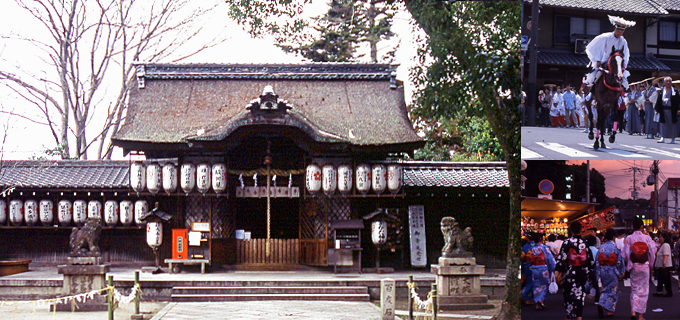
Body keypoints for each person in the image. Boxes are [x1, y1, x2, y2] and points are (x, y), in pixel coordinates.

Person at [555, 222, 595, 320]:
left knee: (568, 294)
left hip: (570, 271)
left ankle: (569, 315)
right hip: (581, 271)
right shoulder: (585, 242)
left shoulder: (567, 242)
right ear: (581, 230)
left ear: (571, 230)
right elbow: (589, 260)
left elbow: (562, 258)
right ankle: (579, 316)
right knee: (580, 294)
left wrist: (559, 272)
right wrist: (588, 271)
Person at [584, 16, 635, 89]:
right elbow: (594, 46)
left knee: (624, 80)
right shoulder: (606, 37)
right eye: (618, 31)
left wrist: (623, 65)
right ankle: (591, 92)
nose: (620, 33)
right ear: (615, 29)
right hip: (604, 61)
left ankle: (621, 96)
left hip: (617, 64)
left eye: (621, 32)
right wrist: (597, 59)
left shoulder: (623, 41)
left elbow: (626, 54)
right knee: (593, 76)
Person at [622, 217, 656, 320]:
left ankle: (633, 312)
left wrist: (630, 263)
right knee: (644, 291)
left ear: (632, 226)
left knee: (634, 289)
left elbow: (625, 254)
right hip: (644, 266)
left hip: (635, 266)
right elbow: (652, 251)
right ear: (642, 226)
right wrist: (650, 263)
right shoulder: (647, 238)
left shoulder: (629, 238)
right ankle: (640, 316)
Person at [596, 229, 625, 318]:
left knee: (604, 289)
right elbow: (619, 261)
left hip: (603, 271)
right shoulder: (615, 248)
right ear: (613, 237)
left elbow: (597, 261)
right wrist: (622, 271)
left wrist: (597, 273)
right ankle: (609, 310)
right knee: (613, 290)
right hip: (613, 270)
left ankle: (601, 303)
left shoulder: (601, 247)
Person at [531, 233, 556, 310]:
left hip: (534, 268)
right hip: (543, 269)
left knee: (536, 285)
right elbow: (549, 258)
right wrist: (553, 267)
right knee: (544, 285)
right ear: (541, 239)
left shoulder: (532, 248)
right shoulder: (544, 248)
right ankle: (540, 300)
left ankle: (537, 304)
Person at [654, 76, 680, 144]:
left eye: (669, 81)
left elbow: (678, 101)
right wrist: (657, 109)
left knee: (672, 124)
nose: (668, 82)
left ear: (671, 83)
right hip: (663, 109)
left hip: (672, 110)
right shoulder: (661, 91)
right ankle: (662, 137)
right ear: (664, 83)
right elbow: (658, 100)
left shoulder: (675, 91)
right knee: (663, 124)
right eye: (666, 81)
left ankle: (673, 138)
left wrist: (678, 109)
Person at [522, 232, 537, 305]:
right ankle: (523, 296)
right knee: (531, 283)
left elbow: (522, 257)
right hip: (536, 266)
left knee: (528, 282)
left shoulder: (525, 246)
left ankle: (526, 298)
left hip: (527, 265)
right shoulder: (538, 246)